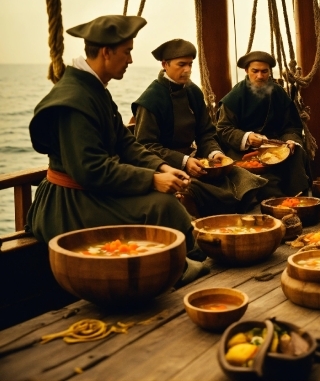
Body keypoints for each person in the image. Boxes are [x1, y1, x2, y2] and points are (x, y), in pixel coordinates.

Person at [26, 15, 206, 281]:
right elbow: (92, 170)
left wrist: (162, 166)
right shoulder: (75, 99)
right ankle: (170, 270)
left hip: (91, 192)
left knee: (164, 203)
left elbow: (125, 142)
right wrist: (153, 180)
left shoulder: (94, 89)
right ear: (106, 52)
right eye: (127, 52)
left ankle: (182, 259)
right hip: (68, 204)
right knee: (160, 206)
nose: (131, 60)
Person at [132, 39, 267, 216]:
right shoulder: (150, 100)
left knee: (242, 177)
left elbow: (205, 133)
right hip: (163, 166)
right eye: (181, 64)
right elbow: (146, 147)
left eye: (190, 64)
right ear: (165, 64)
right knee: (193, 189)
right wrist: (184, 161)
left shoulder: (192, 91)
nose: (187, 70)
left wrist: (214, 154)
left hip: (195, 161)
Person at [216, 51, 309, 198]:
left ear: (269, 72)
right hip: (243, 149)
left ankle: (299, 198)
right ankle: (273, 199)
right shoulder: (235, 96)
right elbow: (224, 129)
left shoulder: (278, 92)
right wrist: (247, 137)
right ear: (246, 71)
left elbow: (291, 126)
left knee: (296, 152)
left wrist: (291, 140)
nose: (260, 76)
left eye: (264, 71)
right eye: (255, 71)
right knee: (253, 168)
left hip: (276, 144)